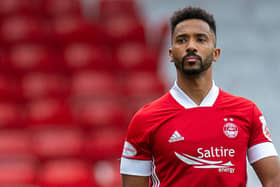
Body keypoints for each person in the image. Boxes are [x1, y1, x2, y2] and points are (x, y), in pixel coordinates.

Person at [120, 6, 280, 187]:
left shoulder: (247, 112)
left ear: (216, 53)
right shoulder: (145, 120)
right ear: (171, 54)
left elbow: (274, 181)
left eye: (200, 39)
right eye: (182, 40)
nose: (191, 46)